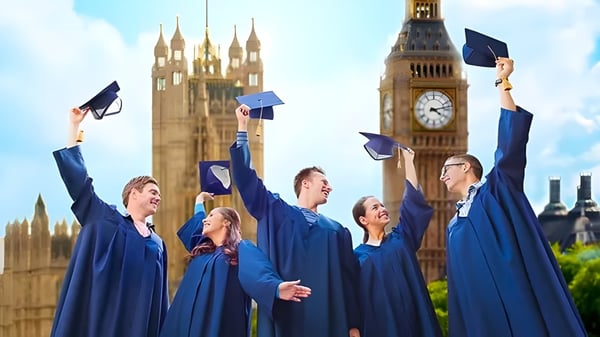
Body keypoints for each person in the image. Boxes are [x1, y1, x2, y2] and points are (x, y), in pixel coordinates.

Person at [441, 57, 587, 337]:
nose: (441, 176)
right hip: (482, 317)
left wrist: (502, 83)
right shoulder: (453, 226)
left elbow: (510, 145)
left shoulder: (497, 190)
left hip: (517, 302)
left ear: (465, 167)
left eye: (446, 169)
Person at [231, 105, 361, 337]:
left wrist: (353, 325)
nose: (329, 187)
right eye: (324, 181)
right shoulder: (275, 210)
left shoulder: (338, 232)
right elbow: (246, 179)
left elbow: (349, 282)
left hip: (329, 320)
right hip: (287, 316)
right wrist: (243, 128)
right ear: (305, 183)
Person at [51, 107, 169, 337]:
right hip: (100, 322)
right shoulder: (105, 219)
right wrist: (73, 126)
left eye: (159, 194)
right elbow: (80, 184)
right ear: (133, 194)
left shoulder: (158, 244)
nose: (158, 197)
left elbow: (161, 301)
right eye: (152, 192)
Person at [159, 192, 311, 337]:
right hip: (183, 324)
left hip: (217, 323)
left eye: (211, 215)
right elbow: (198, 225)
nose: (205, 219)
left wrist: (276, 288)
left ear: (226, 222)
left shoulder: (238, 250)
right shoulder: (202, 249)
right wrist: (199, 201)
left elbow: (257, 271)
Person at [352, 147, 442, 337]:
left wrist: (408, 161)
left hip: (416, 319)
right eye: (375, 207)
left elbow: (412, 204)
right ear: (363, 220)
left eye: (382, 205)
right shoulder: (356, 257)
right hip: (382, 327)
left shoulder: (401, 239)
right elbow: (351, 298)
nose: (383, 209)